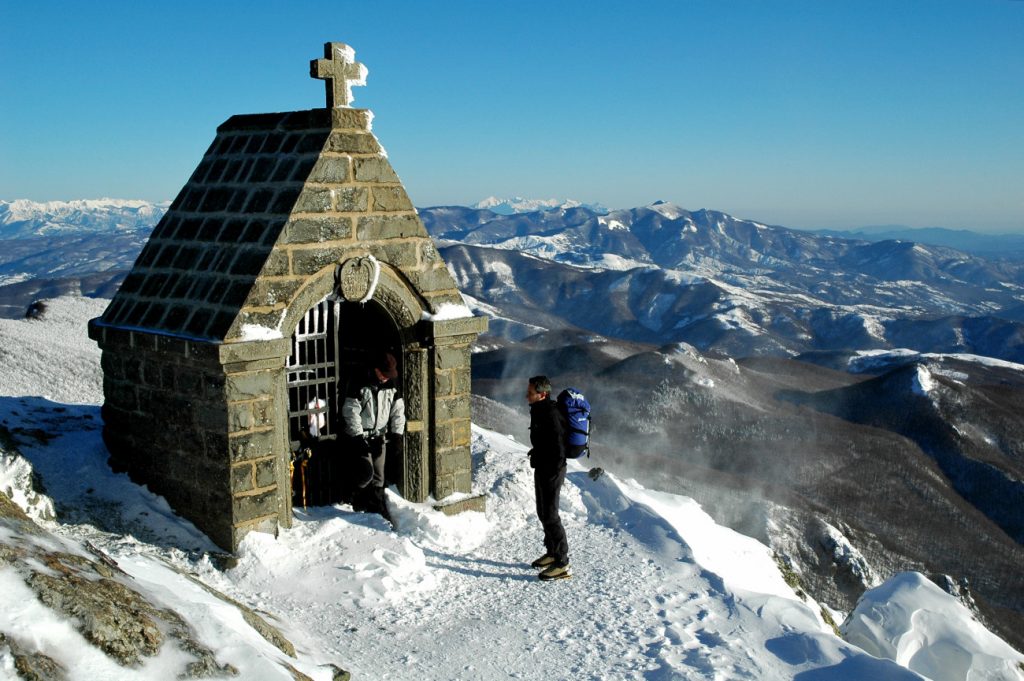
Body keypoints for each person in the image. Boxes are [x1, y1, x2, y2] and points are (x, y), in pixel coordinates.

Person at [342, 351, 405, 523]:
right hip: (360, 436)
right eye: (384, 374)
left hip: (379, 435)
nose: (386, 378)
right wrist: (358, 438)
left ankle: (377, 508)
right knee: (365, 473)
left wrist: (397, 434)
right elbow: (351, 410)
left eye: (389, 375)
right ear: (376, 370)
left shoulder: (392, 384)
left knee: (379, 476)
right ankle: (356, 504)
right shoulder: (359, 382)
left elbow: (398, 411)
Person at [526, 375, 571, 581]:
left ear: (542, 394)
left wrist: (551, 468)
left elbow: (558, 448)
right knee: (543, 512)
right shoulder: (538, 410)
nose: (527, 395)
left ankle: (562, 563)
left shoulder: (551, 413)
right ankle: (552, 551)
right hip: (543, 467)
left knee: (551, 515)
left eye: (531, 392)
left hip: (552, 470)